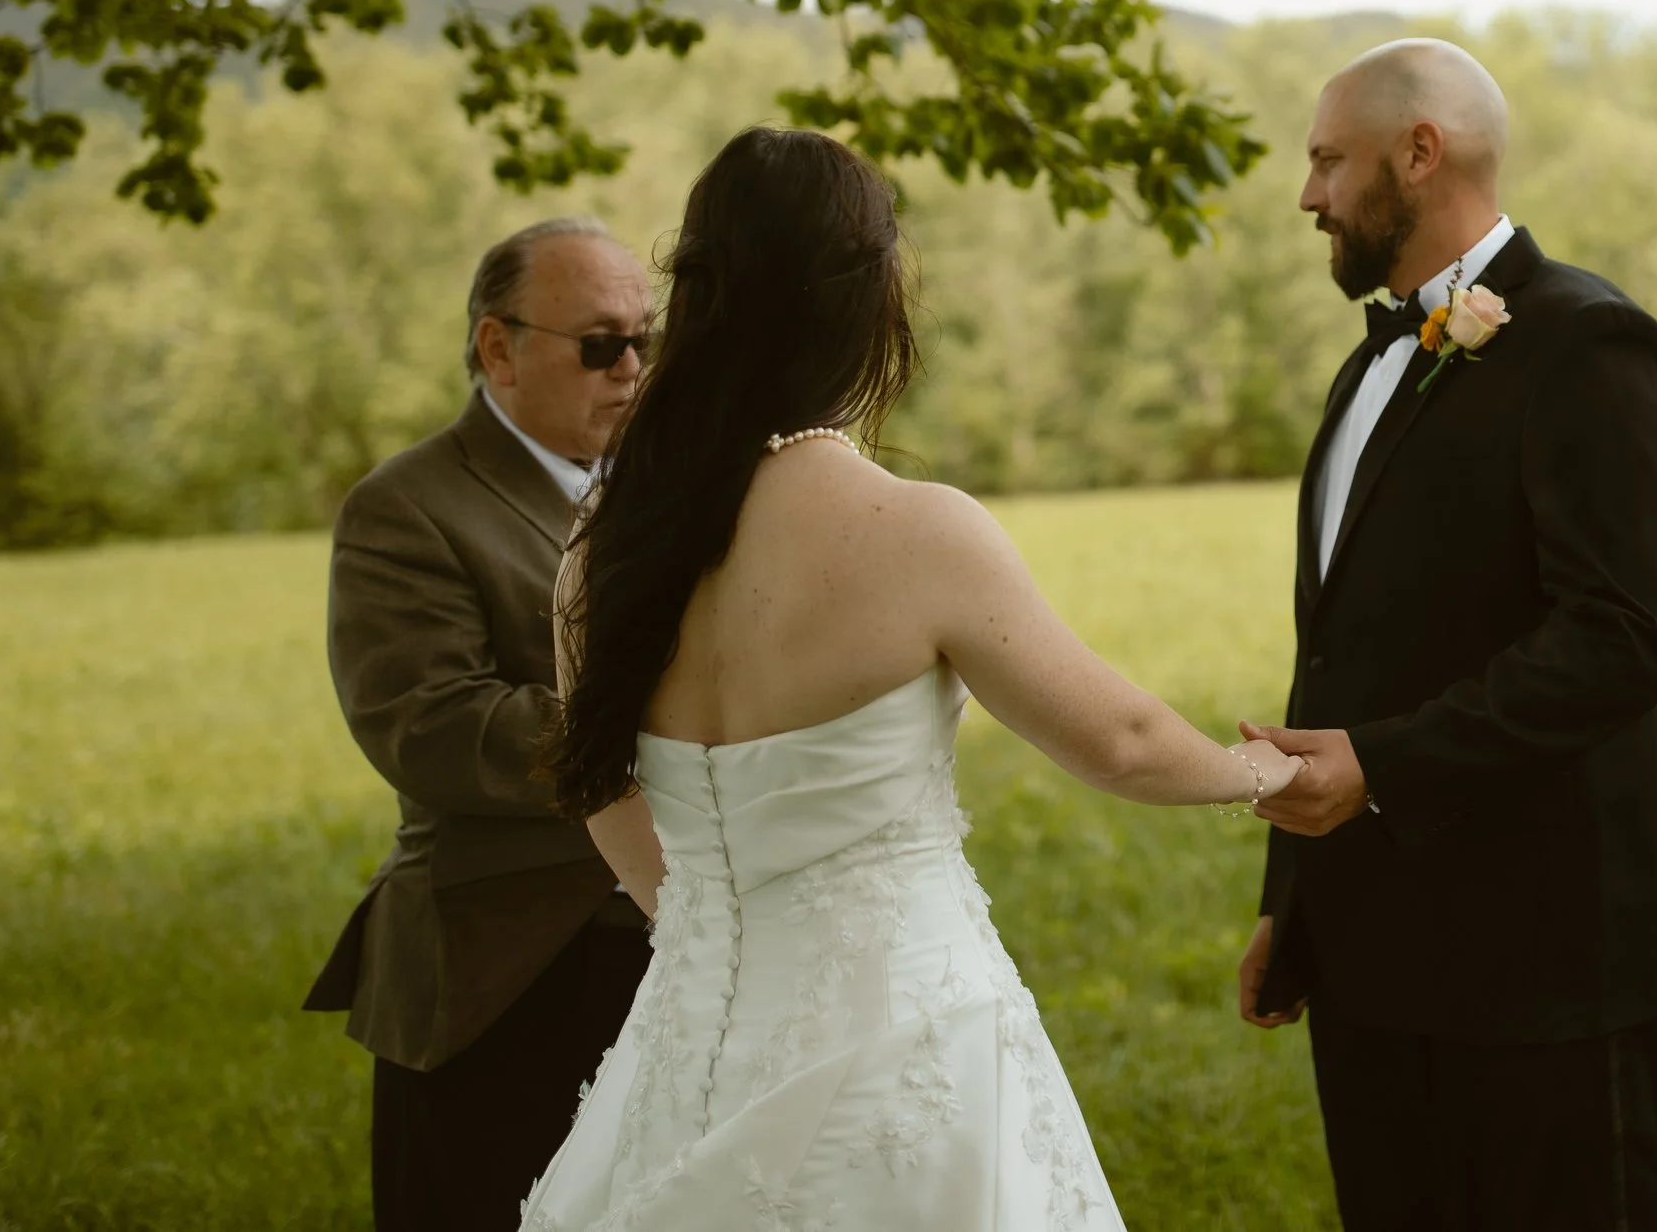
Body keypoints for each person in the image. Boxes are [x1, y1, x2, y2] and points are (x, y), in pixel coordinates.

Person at [516, 127, 1301, 1232]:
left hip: (685, 1045)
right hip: (904, 1033)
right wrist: (1260, 772)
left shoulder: (600, 546)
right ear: (864, 302)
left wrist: (715, 933)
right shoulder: (912, 528)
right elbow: (1118, 736)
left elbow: (604, 790)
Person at [1238, 40, 1657, 1231]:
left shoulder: (1590, 342)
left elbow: (1623, 635)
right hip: (1373, 967)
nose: (1307, 195)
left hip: (1541, 969)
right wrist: (1297, 900)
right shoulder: (1366, 366)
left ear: (1419, 151)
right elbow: (1342, 653)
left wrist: (1382, 764)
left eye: (1327, 160)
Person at [304, 216, 657, 1232]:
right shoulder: (405, 506)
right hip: (499, 970)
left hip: (666, 946)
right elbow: (432, 725)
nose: (630, 368)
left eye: (645, 339)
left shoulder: (668, 494)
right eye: (599, 343)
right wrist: (668, 736)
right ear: (498, 349)